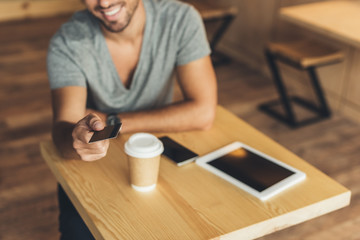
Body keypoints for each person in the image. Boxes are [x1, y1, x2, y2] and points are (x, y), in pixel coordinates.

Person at [47, 0, 217, 239]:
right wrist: (77, 139)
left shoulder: (180, 19)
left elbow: (203, 113)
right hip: (93, 165)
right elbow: (63, 134)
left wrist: (113, 121)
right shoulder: (67, 42)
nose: (104, 3)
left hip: (158, 155)